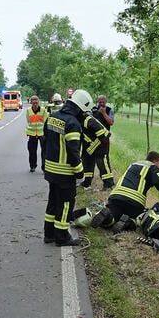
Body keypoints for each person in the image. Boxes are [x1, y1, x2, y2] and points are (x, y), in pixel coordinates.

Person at [43, 89, 92, 247]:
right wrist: (80, 172)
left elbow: (44, 143)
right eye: (84, 112)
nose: (84, 116)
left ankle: (49, 234)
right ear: (78, 108)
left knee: (52, 202)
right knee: (65, 204)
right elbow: (73, 151)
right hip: (65, 173)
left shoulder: (52, 118)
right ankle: (62, 237)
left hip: (50, 170)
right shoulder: (73, 123)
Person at [90, 151, 159, 231]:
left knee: (112, 218)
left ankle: (107, 217)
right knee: (135, 220)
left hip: (116, 197)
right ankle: (128, 221)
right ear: (154, 161)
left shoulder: (134, 164)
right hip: (134, 201)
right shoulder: (152, 167)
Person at [83, 95, 115, 189]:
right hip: (93, 140)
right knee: (88, 160)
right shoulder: (92, 110)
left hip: (104, 139)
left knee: (102, 160)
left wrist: (104, 113)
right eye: (99, 102)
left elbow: (111, 122)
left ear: (106, 101)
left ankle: (108, 184)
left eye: (103, 102)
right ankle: (87, 181)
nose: (101, 104)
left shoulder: (109, 110)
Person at [80, 105, 110, 188]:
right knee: (86, 161)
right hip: (90, 145)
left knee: (101, 162)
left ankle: (108, 184)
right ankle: (87, 182)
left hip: (102, 142)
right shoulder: (79, 120)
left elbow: (100, 131)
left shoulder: (87, 120)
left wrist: (103, 144)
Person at [25, 95, 46, 173]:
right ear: (31, 102)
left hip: (42, 133)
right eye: (33, 100)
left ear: (38, 101)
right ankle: (32, 166)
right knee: (32, 151)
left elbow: (46, 122)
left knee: (44, 151)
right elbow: (28, 121)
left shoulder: (43, 110)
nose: (35, 102)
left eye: (36, 100)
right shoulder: (28, 111)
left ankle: (44, 167)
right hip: (32, 134)